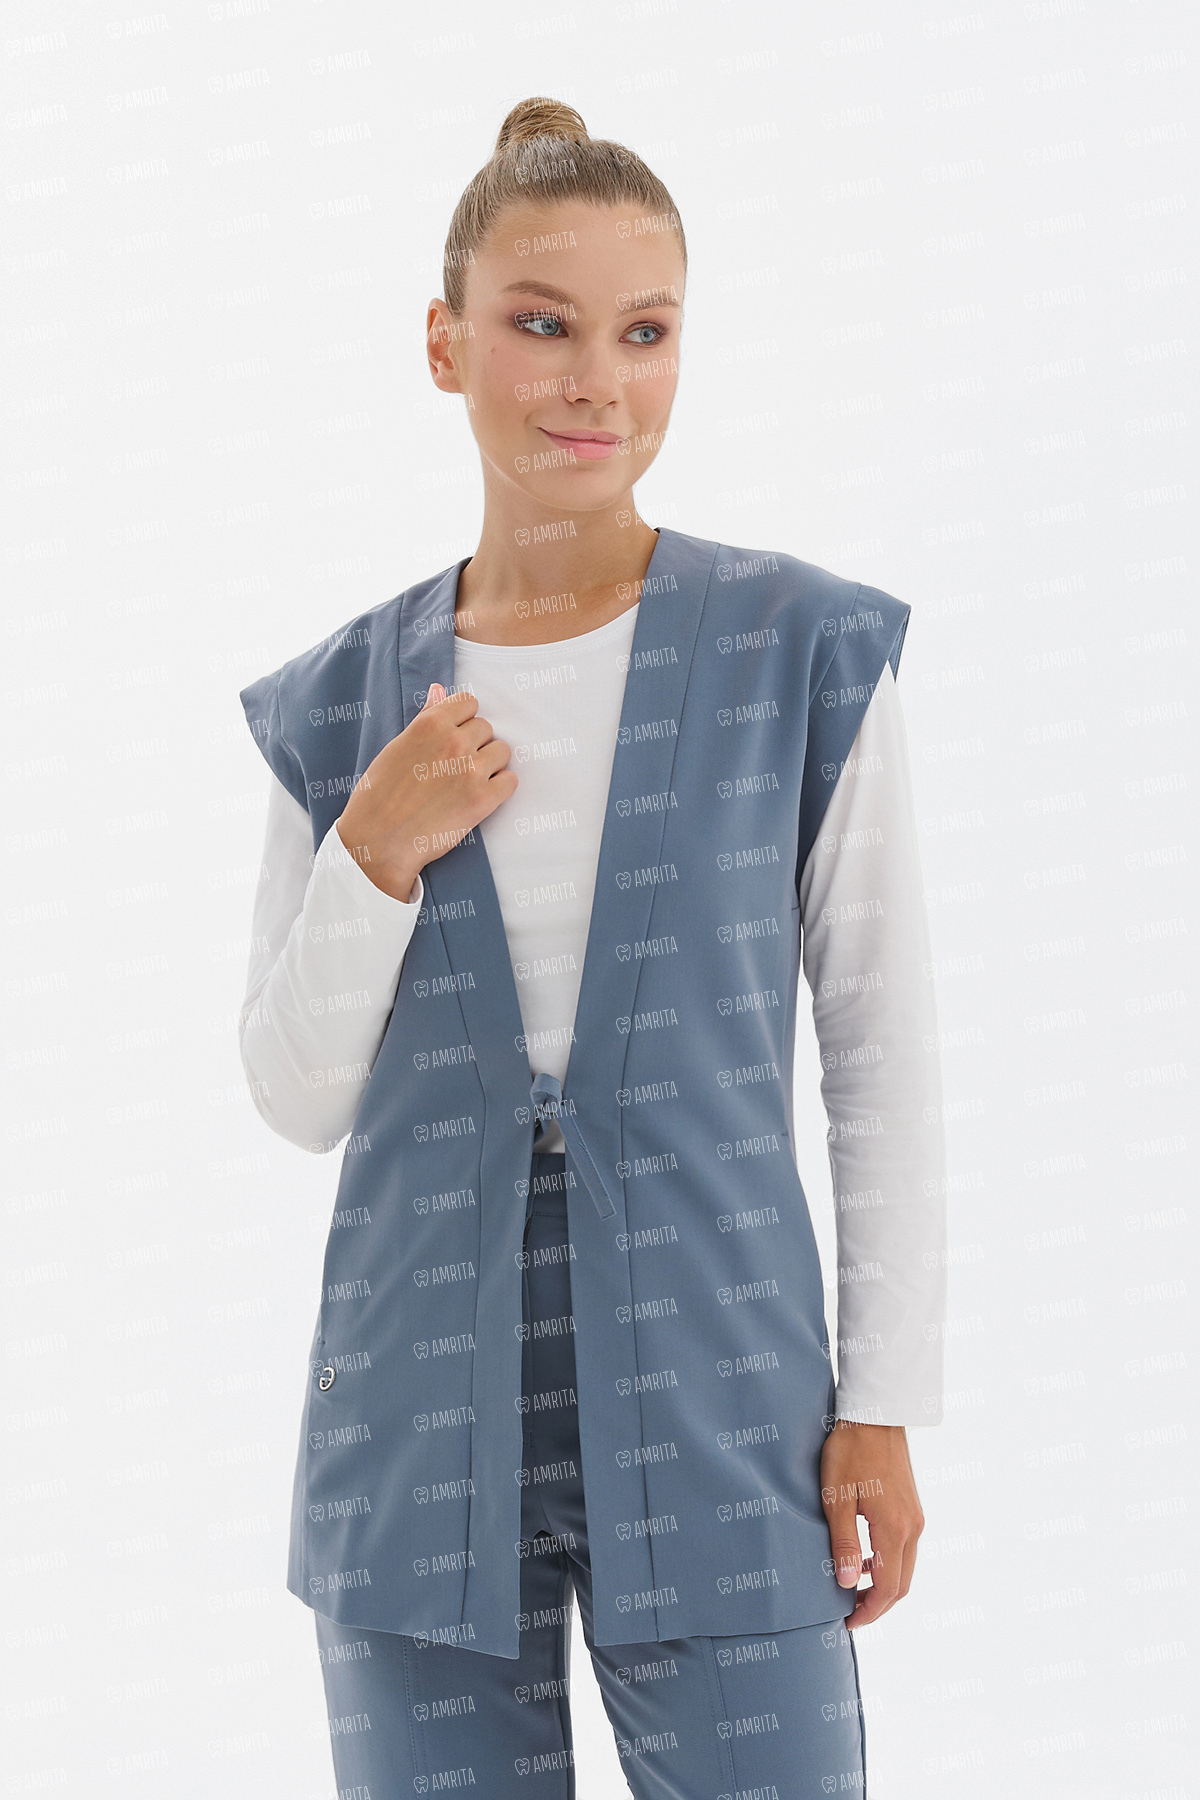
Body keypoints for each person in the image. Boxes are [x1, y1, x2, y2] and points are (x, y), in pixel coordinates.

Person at [237, 96, 946, 1800]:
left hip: (728, 1407)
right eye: (541, 325)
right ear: (444, 343)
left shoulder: (797, 651)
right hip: (409, 1438)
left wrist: (883, 1400)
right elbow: (293, 1094)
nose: (594, 384)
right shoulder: (343, 702)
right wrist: (376, 847)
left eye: (644, 333)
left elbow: (881, 1054)